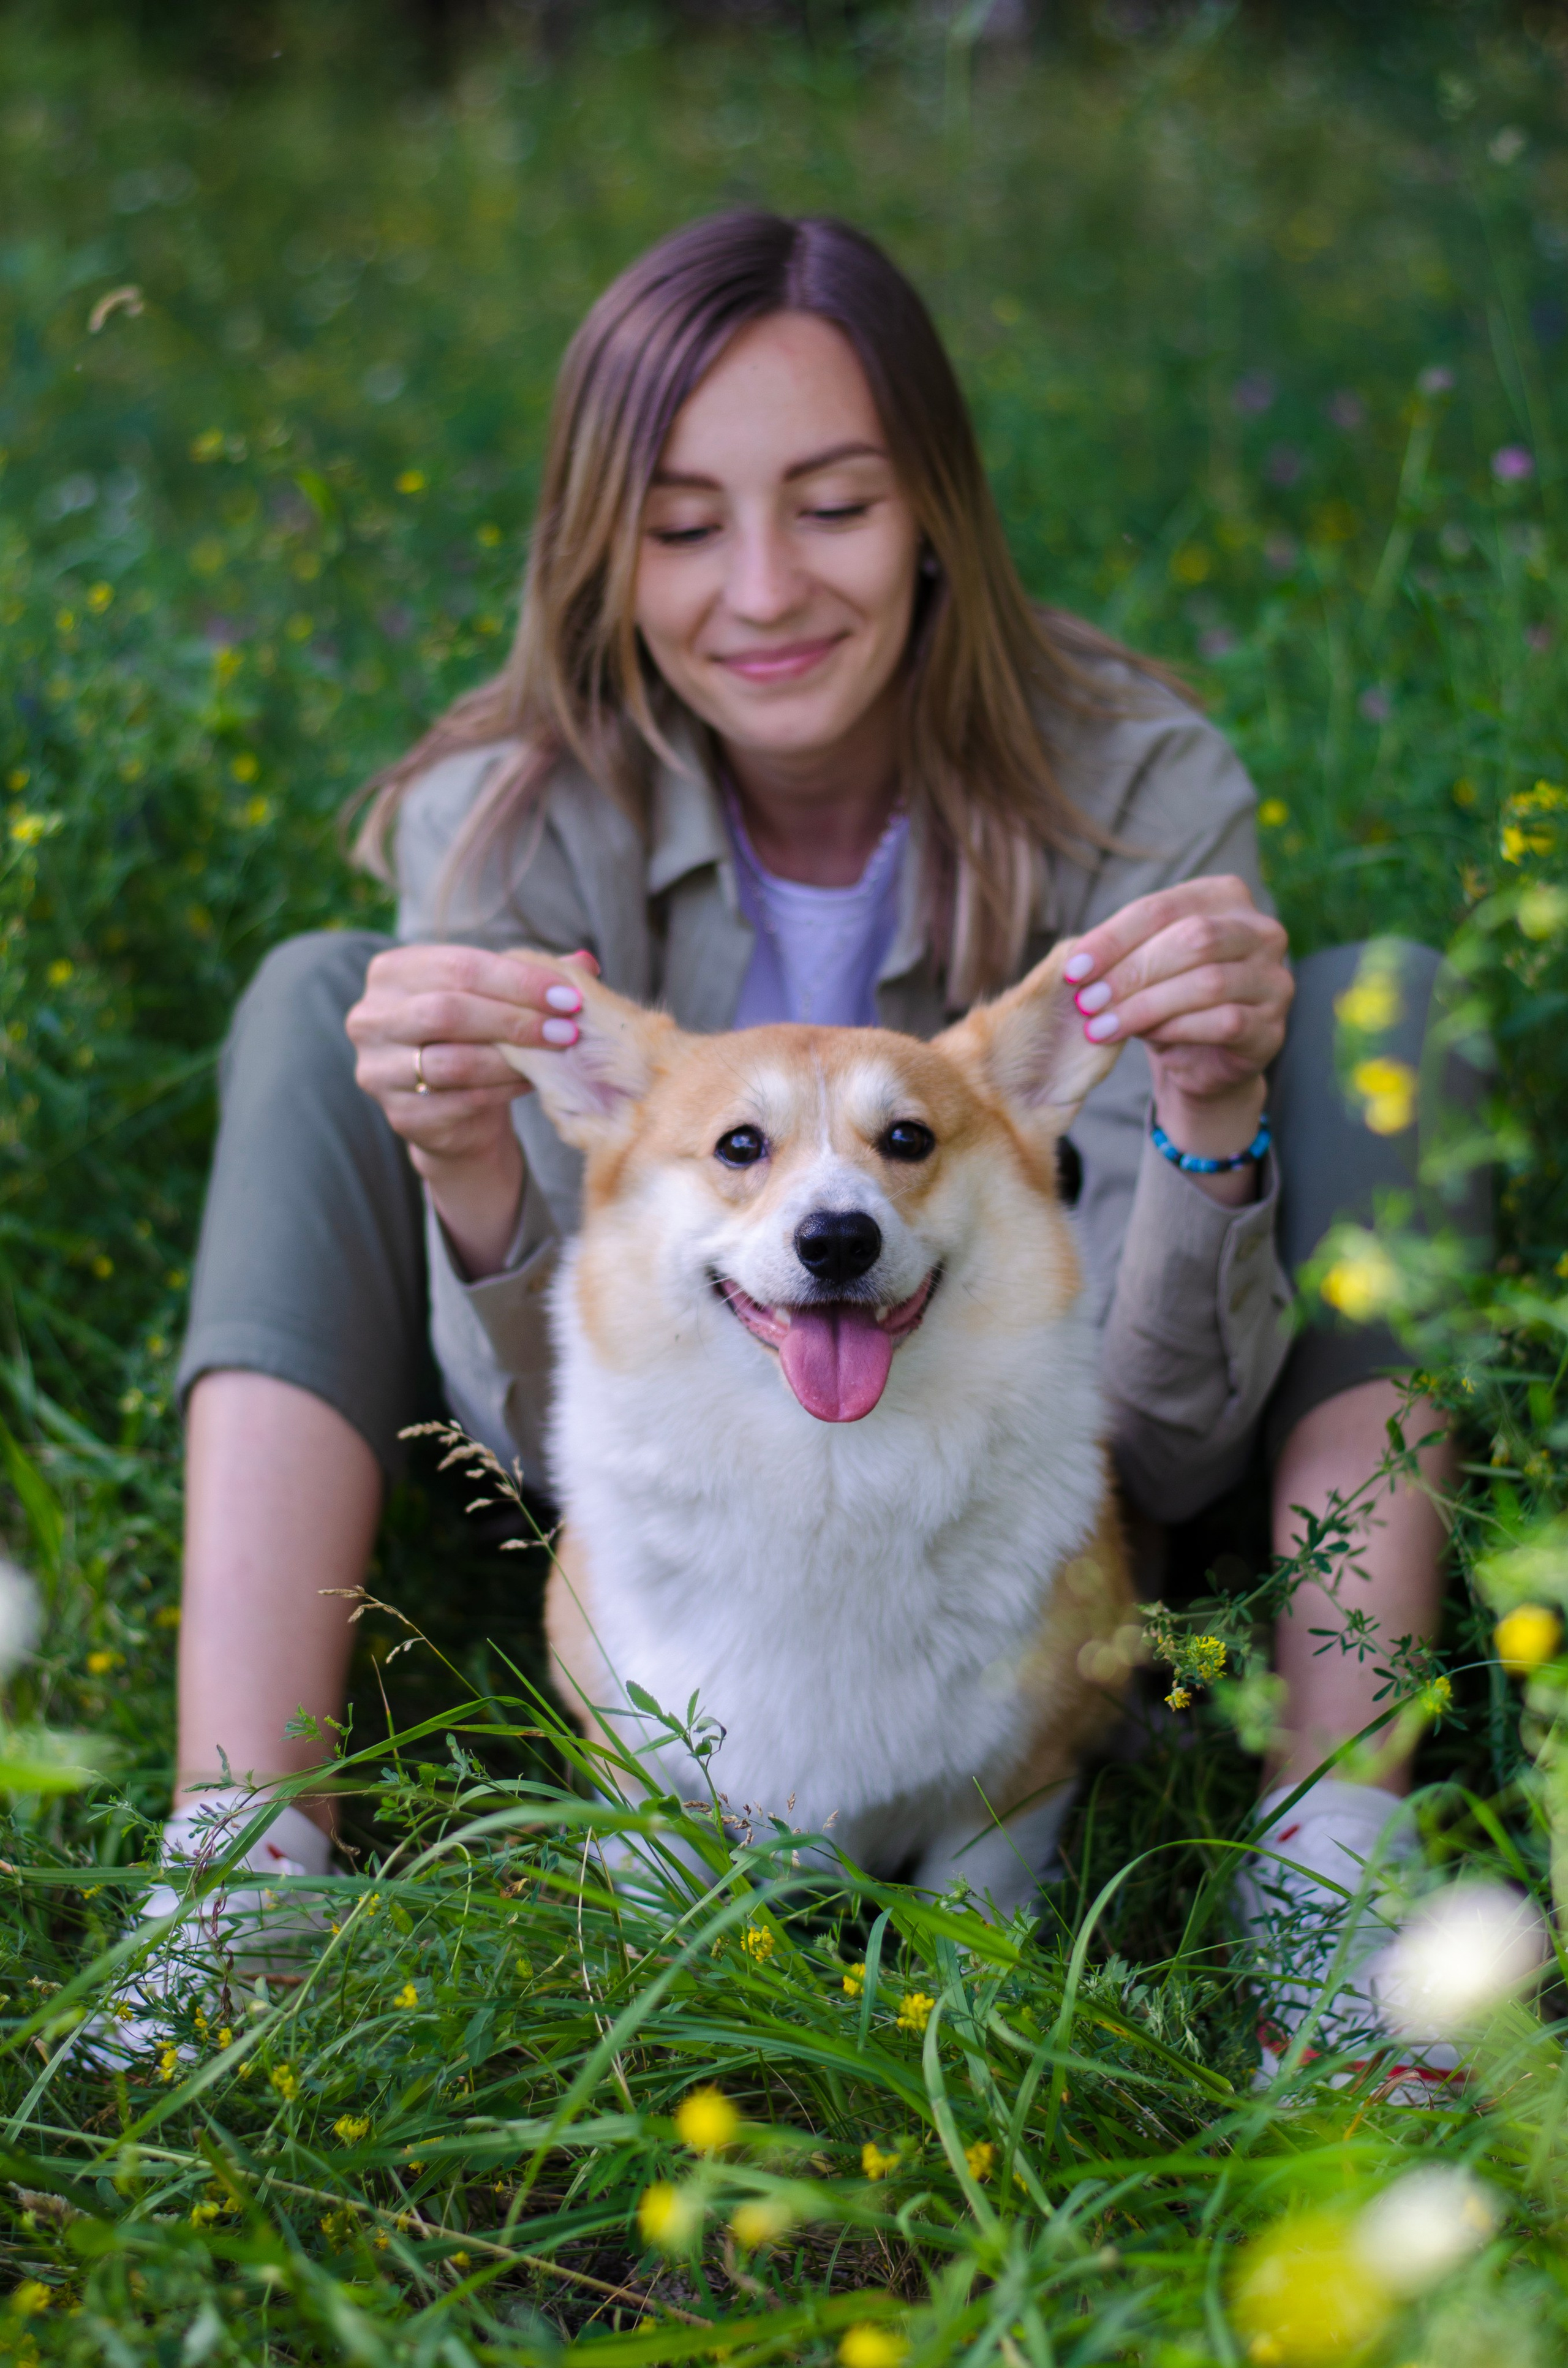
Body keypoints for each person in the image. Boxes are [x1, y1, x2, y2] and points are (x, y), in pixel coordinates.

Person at [170, 211, 1482, 2071]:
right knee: (320, 996)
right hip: (656, 1493)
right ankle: (239, 1860)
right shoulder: (499, 816)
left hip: (1052, 1477)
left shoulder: (1138, 785)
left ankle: (1338, 1836)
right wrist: (467, 1160)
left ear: (935, 501)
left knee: (1386, 1014)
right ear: (601, 548)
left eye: (837, 505)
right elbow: (533, 1439)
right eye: (688, 524)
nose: (765, 587)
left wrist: (1210, 1117)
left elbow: (1166, 1430)